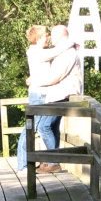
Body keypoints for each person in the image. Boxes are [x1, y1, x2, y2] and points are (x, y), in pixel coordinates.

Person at [15, 25, 77, 173]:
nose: (47, 38)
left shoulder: (40, 52)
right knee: (30, 128)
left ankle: (51, 161)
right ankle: (23, 165)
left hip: (43, 94)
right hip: (38, 94)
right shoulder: (36, 52)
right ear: (38, 39)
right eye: (45, 36)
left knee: (44, 127)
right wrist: (72, 42)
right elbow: (58, 50)